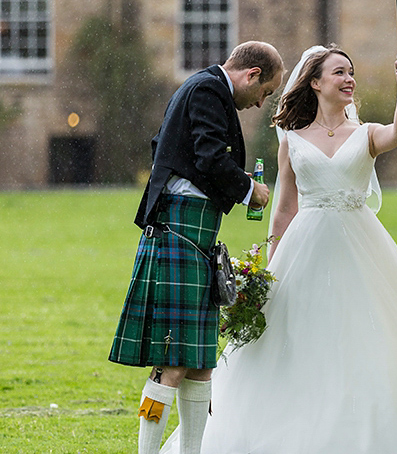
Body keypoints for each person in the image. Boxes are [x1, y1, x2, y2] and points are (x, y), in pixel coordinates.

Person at [160, 46, 397, 453]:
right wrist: (271, 265)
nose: (349, 79)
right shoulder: (293, 141)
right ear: (316, 82)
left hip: (361, 247)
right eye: (340, 72)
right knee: (292, 343)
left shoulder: (367, 133)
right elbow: (284, 207)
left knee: (369, 338)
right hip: (304, 248)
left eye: (352, 72)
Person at [109, 41, 284, 454]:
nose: (262, 103)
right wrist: (248, 190)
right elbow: (208, 157)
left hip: (194, 235)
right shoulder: (207, 89)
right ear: (252, 75)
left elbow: (169, 148)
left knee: (201, 364)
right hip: (180, 230)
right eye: (266, 92)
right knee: (172, 361)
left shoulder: (201, 88)